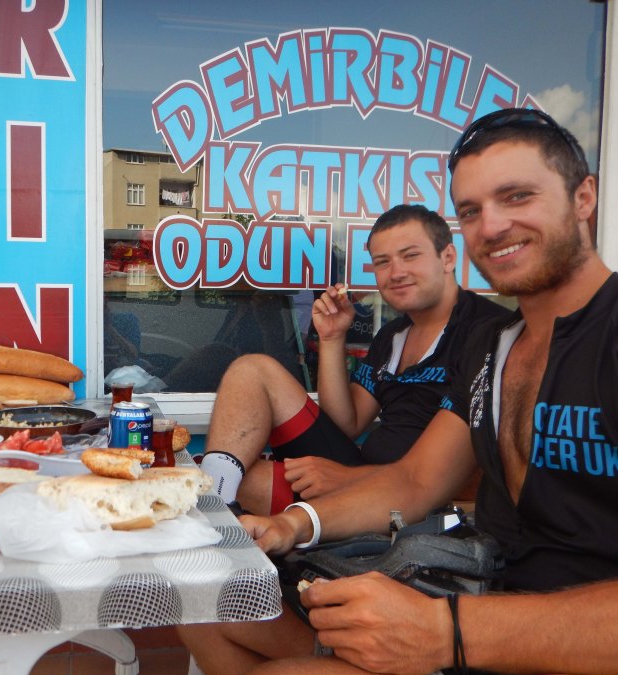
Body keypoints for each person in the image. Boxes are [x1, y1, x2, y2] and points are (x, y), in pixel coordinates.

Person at [179, 108, 618, 674]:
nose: (491, 226)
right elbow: (415, 480)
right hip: (471, 592)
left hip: (536, 640)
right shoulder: (497, 347)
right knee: (202, 602)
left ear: (584, 198)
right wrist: (295, 523)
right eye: (471, 210)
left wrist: (446, 631)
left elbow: (445, 497)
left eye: (517, 196)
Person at [199, 203, 509, 515]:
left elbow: (479, 470)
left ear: (448, 257)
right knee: (250, 373)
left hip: (417, 504)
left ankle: (215, 516)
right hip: (360, 476)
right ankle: (213, 511)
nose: (396, 272)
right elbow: (346, 424)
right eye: (383, 262)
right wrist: (332, 338)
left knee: (244, 484)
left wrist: (350, 478)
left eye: (410, 255)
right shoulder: (392, 335)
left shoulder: (491, 333)